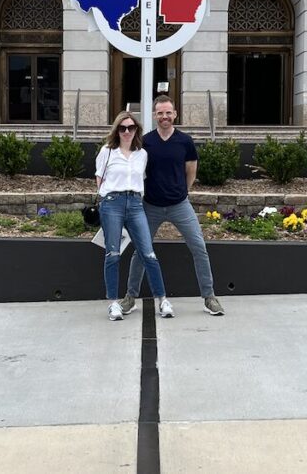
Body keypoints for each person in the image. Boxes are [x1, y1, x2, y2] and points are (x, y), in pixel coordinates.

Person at [120, 95, 225, 316]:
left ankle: (209, 297)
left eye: (168, 112)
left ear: (175, 114)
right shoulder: (146, 141)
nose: (164, 116)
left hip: (180, 205)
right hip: (150, 206)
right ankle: (130, 297)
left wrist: (181, 192)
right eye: (160, 113)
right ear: (155, 115)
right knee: (140, 251)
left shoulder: (185, 141)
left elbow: (191, 170)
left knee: (199, 248)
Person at [96, 110, 174, 321]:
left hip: (136, 204)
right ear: (117, 130)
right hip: (112, 203)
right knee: (113, 253)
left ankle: (163, 299)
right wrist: (105, 202)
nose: (127, 131)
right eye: (123, 128)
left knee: (148, 252)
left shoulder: (142, 154)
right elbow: (99, 180)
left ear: (136, 130)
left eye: (131, 127)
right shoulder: (107, 151)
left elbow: (143, 179)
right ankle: (113, 303)